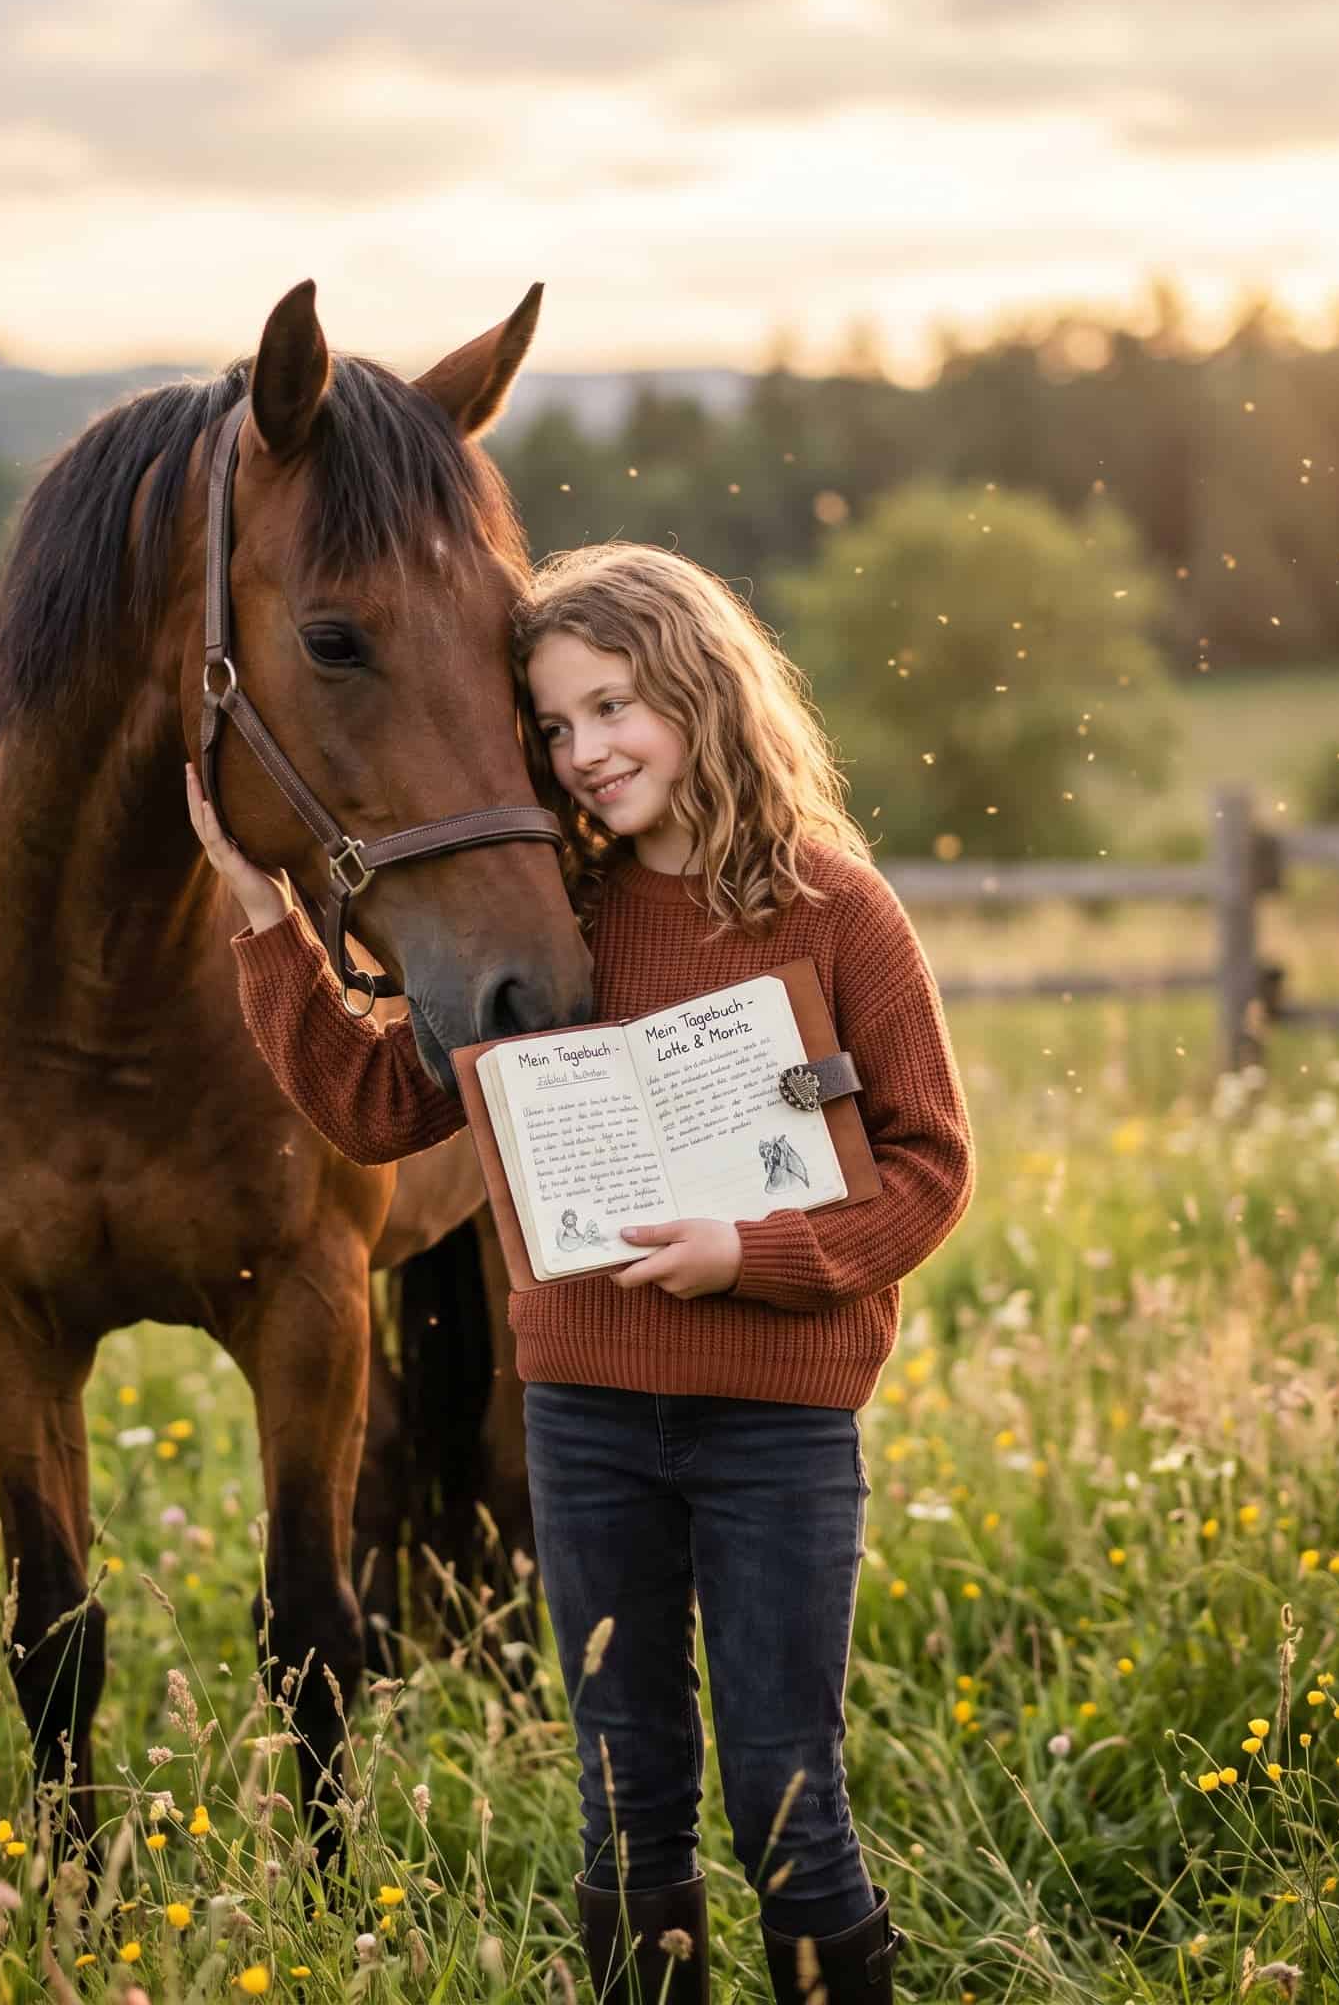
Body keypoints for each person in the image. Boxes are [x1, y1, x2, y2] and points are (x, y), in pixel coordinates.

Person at [185, 542, 974, 2005]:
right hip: (591, 1422)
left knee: (785, 1797)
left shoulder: (834, 912)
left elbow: (930, 1168)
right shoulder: (563, 929)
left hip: (777, 1427)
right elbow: (378, 1111)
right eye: (552, 727)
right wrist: (264, 925)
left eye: (613, 707)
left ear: (702, 691)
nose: (585, 752)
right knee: (625, 1802)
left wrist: (753, 1250)